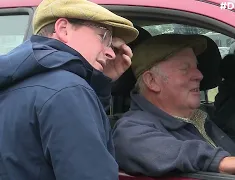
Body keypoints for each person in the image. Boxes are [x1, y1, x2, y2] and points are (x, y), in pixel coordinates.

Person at [0, 0, 138, 179]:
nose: (111, 53)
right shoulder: (68, 91)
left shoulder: (16, 80)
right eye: (103, 37)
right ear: (64, 29)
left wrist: (100, 83)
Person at [112, 34, 235, 177]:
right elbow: (162, 150)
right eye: (185, 69)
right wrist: (221, 161)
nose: (199, 75)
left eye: (196, 67)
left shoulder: (200, 118)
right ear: (152, 81)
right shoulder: (131, 130)